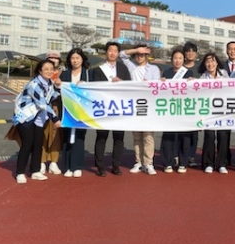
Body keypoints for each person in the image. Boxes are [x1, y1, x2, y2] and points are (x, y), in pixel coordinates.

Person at [13, 59, 62, 184]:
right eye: (46, 69)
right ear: (40, 71)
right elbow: (43, 104)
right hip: (25, 117)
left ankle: (35, 171)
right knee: (27, 145)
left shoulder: (49, 83)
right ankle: (20, 172)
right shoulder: (34, 84)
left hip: (38, 119)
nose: (49, 71)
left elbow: (53, 96)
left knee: (38, 144)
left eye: (51, 69)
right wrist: (55, 119)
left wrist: (60, 87)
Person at [119, 45, 161, 175]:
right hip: (135, 105)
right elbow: (122, 55)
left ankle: (148, 163)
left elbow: (158, 86)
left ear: (146, 56)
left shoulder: (154, 69)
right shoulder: (132, 67)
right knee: (137, 136)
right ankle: (138, 162)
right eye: (137, 54)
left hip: (149, 105)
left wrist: (149, 84)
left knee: (148, 136)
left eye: (142, 54)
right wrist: (137, 50)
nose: (139, 57)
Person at [92, 41, 132, 177]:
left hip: (119, 107)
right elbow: (94, 86)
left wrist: (121, 82)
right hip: (104, 107)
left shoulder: (123, 68)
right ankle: (100, 166)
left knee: (119, 138)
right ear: (106, 52)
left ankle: (116, 165)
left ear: (118, 53)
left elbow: (129, 85)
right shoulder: (98, 69)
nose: (112, 53)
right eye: (110, 50)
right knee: (101, 137)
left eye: (115, 51)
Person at [58, 48, 91, 178]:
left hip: (82, 111)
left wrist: (85, 85)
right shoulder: (64, 74)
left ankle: (77, 166)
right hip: (67, 110)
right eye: (72, 58)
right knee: (66, 137)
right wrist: (57, 84)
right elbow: (57, 90)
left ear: (82, 59)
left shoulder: (88, 74)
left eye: (77, 58)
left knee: (79, 137)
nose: (75, 61)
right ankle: (66, 166)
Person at [160, 48, 193, 173]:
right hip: (170, 108)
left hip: (184, 108)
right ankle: (167, 163)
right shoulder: (167, 73)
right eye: (175, 58)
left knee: (184, 136)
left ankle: (183, 163)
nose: (177, 61)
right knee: (168, 136)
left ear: (183, 59)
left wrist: (192, 82)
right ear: (172, 59)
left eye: (180, 58)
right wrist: (161, 82)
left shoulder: (188, 72)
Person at [198, 52, 230, 174]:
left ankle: (222, 163)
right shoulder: (202, 78)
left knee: (223, 136)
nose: (210, 64)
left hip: (223, 110)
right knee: (210, 136)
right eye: (207, 61)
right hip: (209, 111)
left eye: (212, 61)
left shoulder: (224, 74)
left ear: (217, 63)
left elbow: (231, 89)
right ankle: (208, 163)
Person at [40, 50, 64, 175]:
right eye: (51, 58)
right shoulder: (41, 73)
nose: (54, 60)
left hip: (57, 107)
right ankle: (41, 161)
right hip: (42, 109)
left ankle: (54, 162)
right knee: (42, 134)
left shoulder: (63, 73)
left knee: (56, 135)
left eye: (56, 58)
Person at [183, 42, 201, 168]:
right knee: (182, 131)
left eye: (193, 51)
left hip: (196, 104)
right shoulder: (179, 68)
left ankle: (191, 156)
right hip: (182, 104)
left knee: (194, 132)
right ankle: (181, 155)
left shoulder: (200, 69)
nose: (190, 53)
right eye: (188, 51)